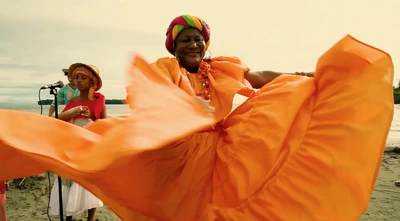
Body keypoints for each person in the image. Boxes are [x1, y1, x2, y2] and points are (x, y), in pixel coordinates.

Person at [0, 14, 394, 221]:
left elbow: (260, 78)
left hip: (219, 149)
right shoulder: (165, 69)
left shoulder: (219, 68)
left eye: (199, 39)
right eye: (186, 39)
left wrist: (309, 78)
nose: (194, 44)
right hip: (178, 149)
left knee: (230, 198)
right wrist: (185, 112)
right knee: (97, 155)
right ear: (175, 45)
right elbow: (152, 96)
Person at [48, 63, 106, 221]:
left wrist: (92, 117)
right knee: (70, 179)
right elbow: (59, 119)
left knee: (91, 182)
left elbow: (104, 123)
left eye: (83, 78)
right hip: (73, 144)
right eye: (76, 78)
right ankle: (69, 217)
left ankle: (90, 218)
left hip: (91, 145)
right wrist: (74, 111)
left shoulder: (99, 99)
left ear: (92, 81)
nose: (78, 81)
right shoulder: (73, 99)